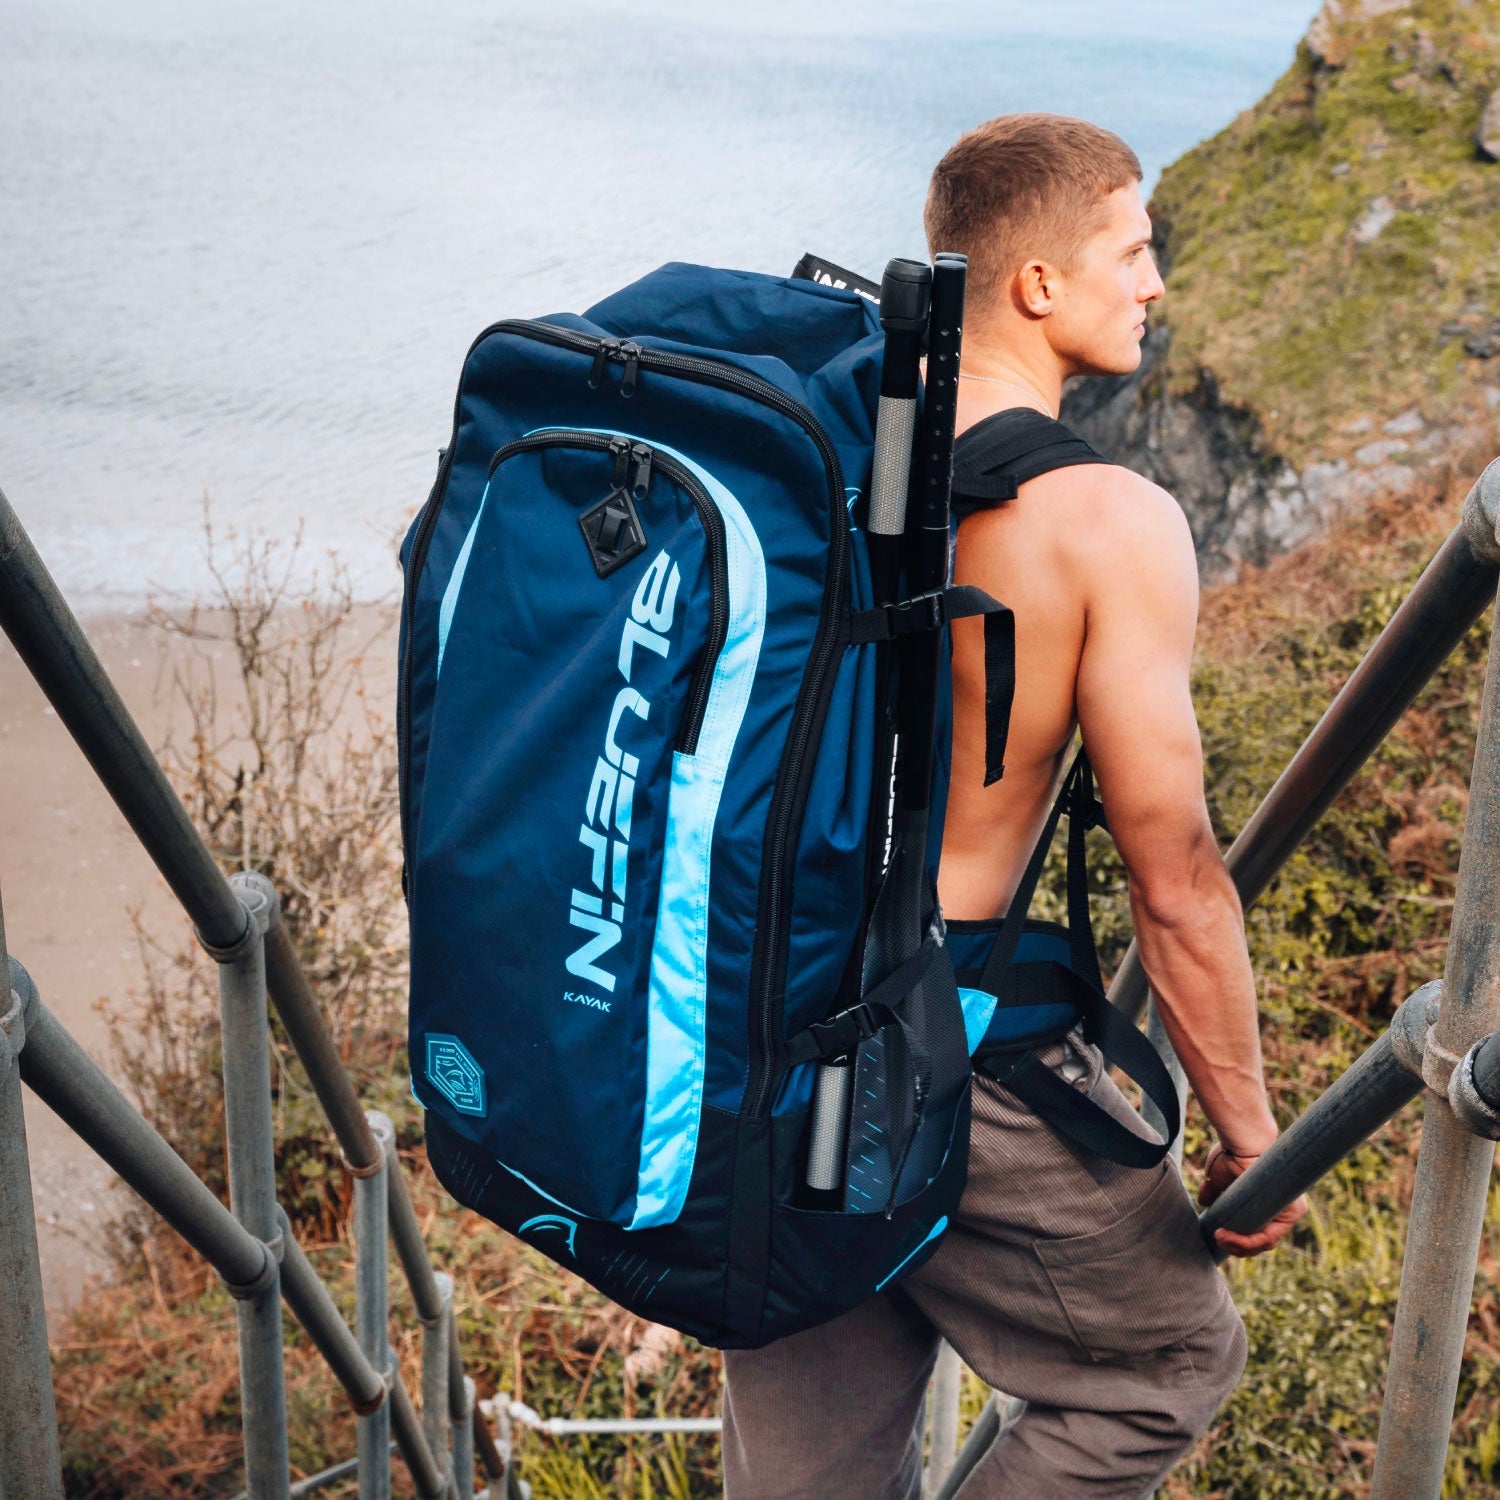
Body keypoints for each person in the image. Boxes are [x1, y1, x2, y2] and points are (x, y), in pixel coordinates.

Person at [720, 113, 1308, 1499]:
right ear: (1038, 285)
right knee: (1164, 1372)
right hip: (940, 1047)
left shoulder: (805, 455)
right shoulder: (1105, 519)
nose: (1156, 283)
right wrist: (1251, 1133)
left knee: (808, 1470)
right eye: (1134, 246)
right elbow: (1173, 874)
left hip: (758, 1026)